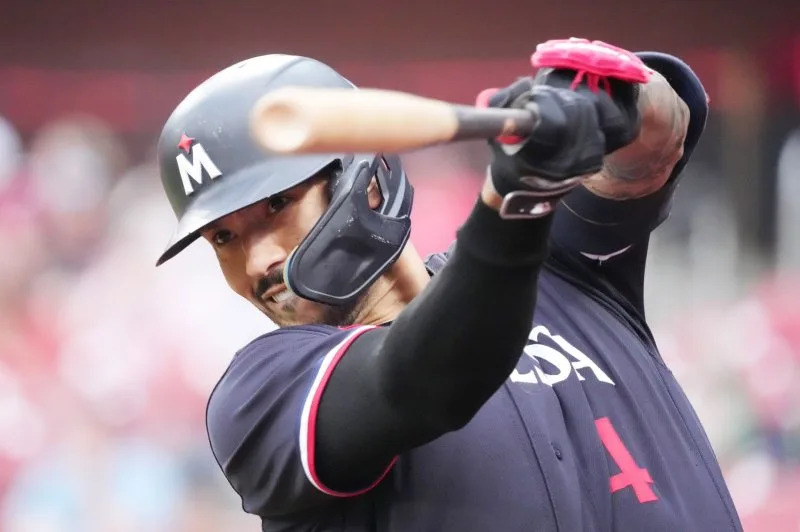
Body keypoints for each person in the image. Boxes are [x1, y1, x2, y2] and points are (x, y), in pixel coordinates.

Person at [154, 39, 743, 531]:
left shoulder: (561, 269)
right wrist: (521, 192)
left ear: (369, 182)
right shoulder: (261, 395)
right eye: (223, 238)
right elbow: (430, 375)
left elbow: (651, 150)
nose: (258, 261)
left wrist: (613, 110)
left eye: (277, 205)